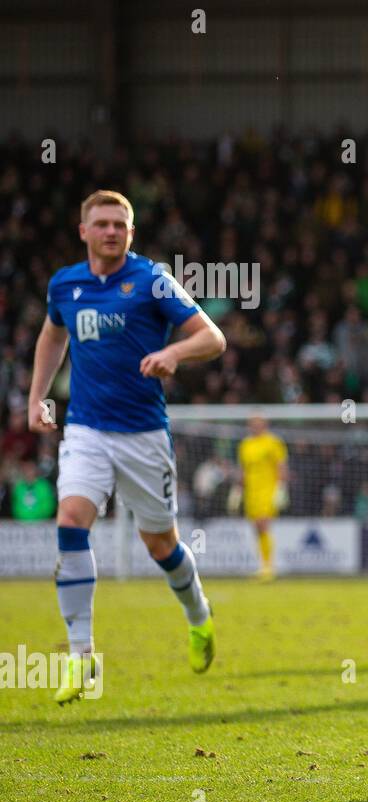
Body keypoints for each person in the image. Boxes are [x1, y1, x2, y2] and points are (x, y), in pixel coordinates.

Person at [27, 189, 227, 703]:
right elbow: (52, 338)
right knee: (71, 520)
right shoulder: (64, 285)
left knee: (160, 545)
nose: (111, 231)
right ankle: (80, 656)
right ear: (84, 231)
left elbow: (213, 337)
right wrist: (37, 398)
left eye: (120, 223)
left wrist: (173, 353)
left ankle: (198, 614)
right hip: (87, 431)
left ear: (130, 233)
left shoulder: (152, 279)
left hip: (143, 435)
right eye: (102, 223)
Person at [236, 413, 288, 581]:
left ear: (265, 424)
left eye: (258, 423)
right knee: (257, 528)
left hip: (268, 489)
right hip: (251, 491)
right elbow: (243, 469)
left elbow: (281, 466)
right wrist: (237, 490)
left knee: (263, 524)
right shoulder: (245, 444)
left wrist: (281, 488)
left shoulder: (273, 442)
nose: (255, 426)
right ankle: (264, 565)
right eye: (252, 423)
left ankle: (268, 568)